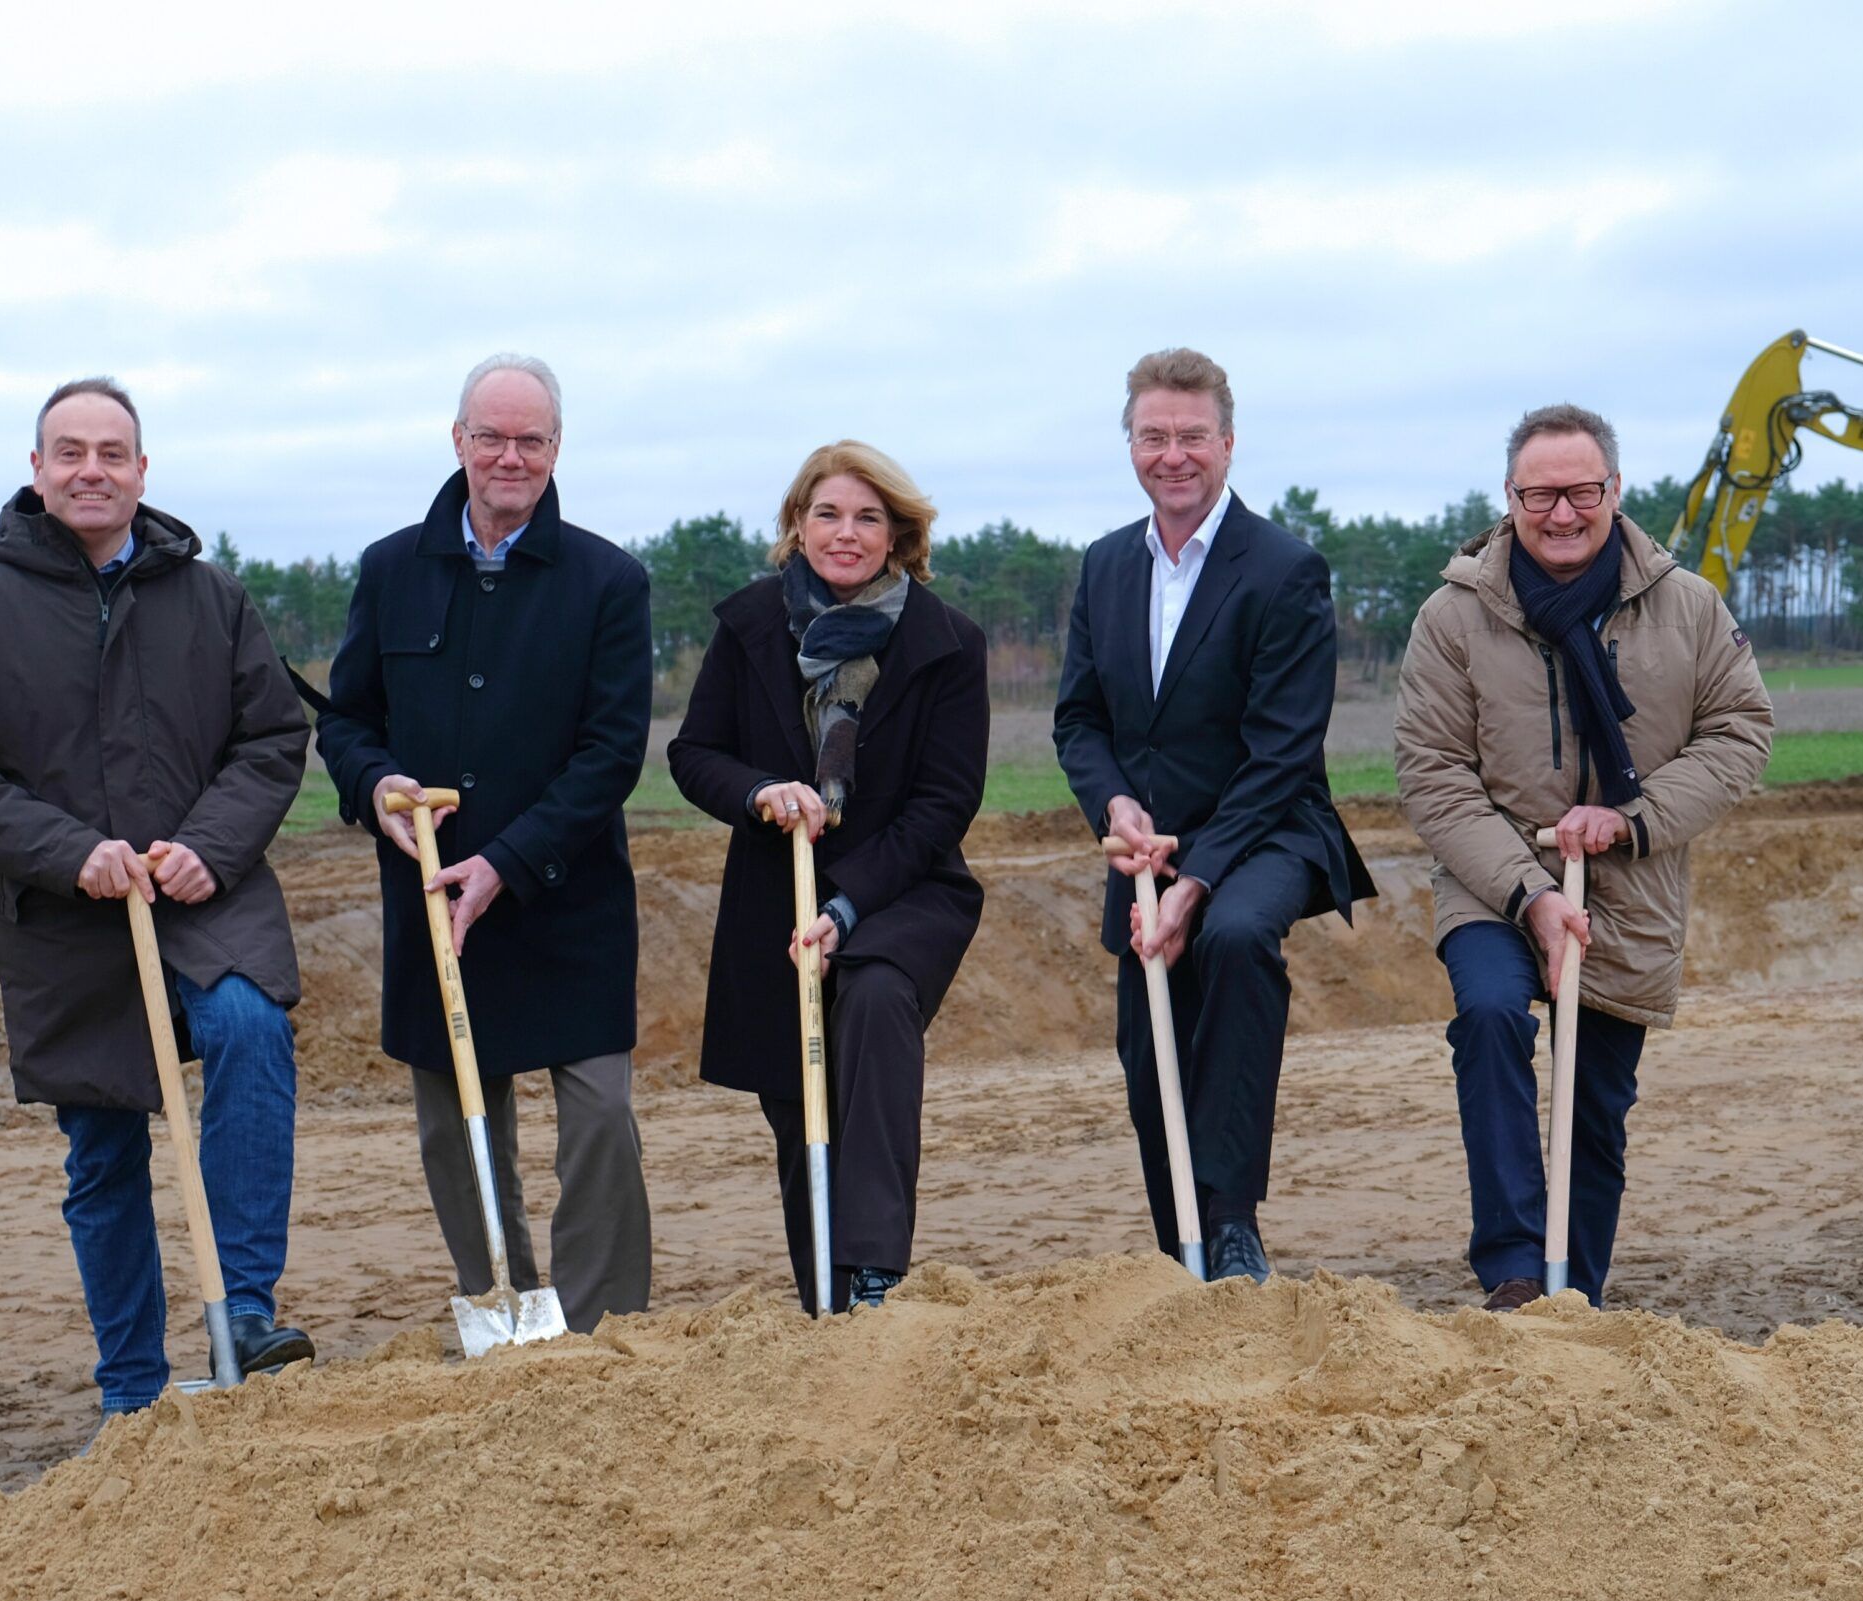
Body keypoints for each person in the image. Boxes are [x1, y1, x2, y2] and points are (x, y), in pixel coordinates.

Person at [0, 377, 315, 1419]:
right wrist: (69, 850)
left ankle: (247, 1314)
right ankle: (132, 1391)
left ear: (142, 471)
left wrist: (208, 848)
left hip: (202, 892)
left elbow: (270, 740)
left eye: (112, 453)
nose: (92, 469)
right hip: (66, 914)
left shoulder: (210, 598)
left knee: (249, 1026)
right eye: (70, 452)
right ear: (37, 469)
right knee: (104, 1140)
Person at [1394, 402, 1773, 1311]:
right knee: (1489, 1020)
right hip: (1496, 880)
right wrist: (1529, 892)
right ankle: (1518, 1273)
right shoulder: (1453, 618)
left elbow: (1740, 733)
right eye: (1540, 495)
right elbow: (1433, 771)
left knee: (1596, 1104)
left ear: (1614, 490)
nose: (1561, 514)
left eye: (1580, 492)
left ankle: (1577, 1297)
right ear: (1510, 498)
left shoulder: (1687, 608)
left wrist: (1630, 821)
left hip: (1630, 884)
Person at [312, 353, 653, 1332]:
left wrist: (507, 862)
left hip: (567, 895)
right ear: (457, 440)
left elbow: (611, 750)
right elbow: (346, 723)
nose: (511, 456)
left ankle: (600, 1324)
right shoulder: (388, 569)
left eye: (531, 439)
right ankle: (497, 1297)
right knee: (456, 1121)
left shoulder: (607, 580)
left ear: (556, 448)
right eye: (491, 436)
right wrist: (373, 783)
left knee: (596, 1118)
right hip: (429, 892)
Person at [1053, 348, 1374, 1281]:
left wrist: (1195, 880)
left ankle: (1232, 1224)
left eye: (1193, 436)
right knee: (1148, 1050)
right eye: (1154, 436)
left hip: (1268, 829)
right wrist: (1116, 807)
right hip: (1142, 847)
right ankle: (1179, 1249)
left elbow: (1282, 750)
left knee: (1231, 940)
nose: (1174, 454)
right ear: (1131, 445)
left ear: (1228, 444)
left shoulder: (1284, 570)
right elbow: (1079, 719)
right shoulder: (1107, 566)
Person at [668, 441, 988, 1312]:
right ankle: (826, 1298)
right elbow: (693, 754)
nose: (846, 534)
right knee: (797, 1098)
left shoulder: (948, 642)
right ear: (797, 525)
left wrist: (850, 906)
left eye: (868, 518)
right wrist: (760, 790)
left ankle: (876, 1271)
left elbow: (945, 801)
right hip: (779, 891)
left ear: (899, 533)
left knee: (878, 1003)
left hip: (905, 887)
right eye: (828, 514)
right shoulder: (747, 628)